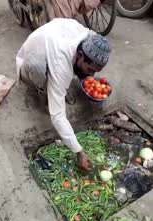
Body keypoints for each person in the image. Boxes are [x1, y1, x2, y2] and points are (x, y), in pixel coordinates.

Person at [16, 18, 111, 172]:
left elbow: (94, 48)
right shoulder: (61, 64)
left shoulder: (88, 36)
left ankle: (57, 89)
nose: (92, 75)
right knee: (39, 70)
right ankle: (43, 92)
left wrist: (87, 77)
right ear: (80, 54)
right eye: (90, 69)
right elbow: (58, 116)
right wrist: (79, 152)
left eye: (95, 71)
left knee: (63, 81)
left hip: (53, 45)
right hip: (30, 64)